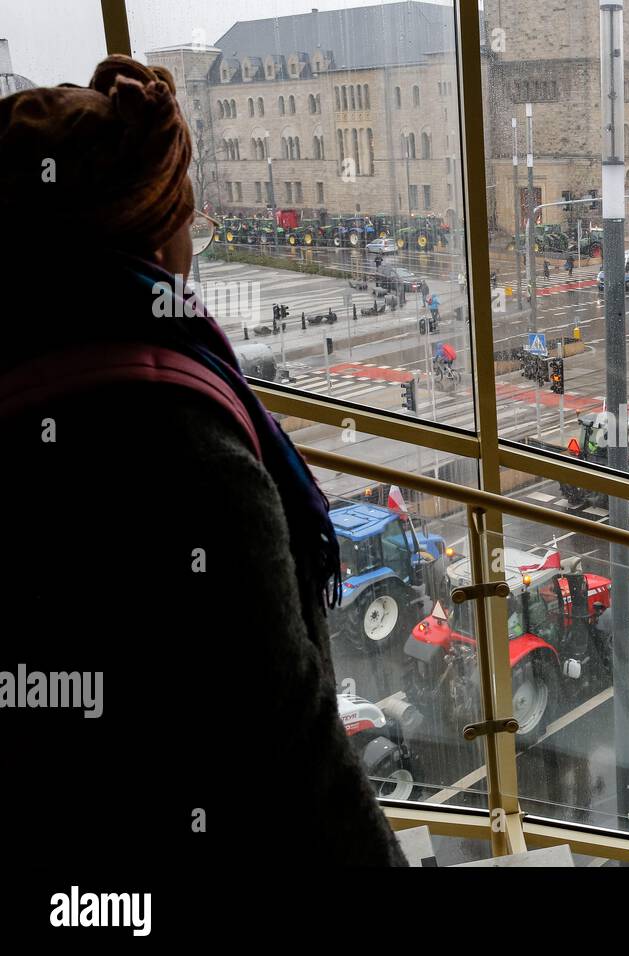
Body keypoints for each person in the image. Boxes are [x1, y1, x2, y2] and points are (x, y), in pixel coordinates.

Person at [0, 56, 406, 866]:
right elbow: (290, 738)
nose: (196, 236)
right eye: (188, 213)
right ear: (150, 228)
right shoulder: (173, 430)